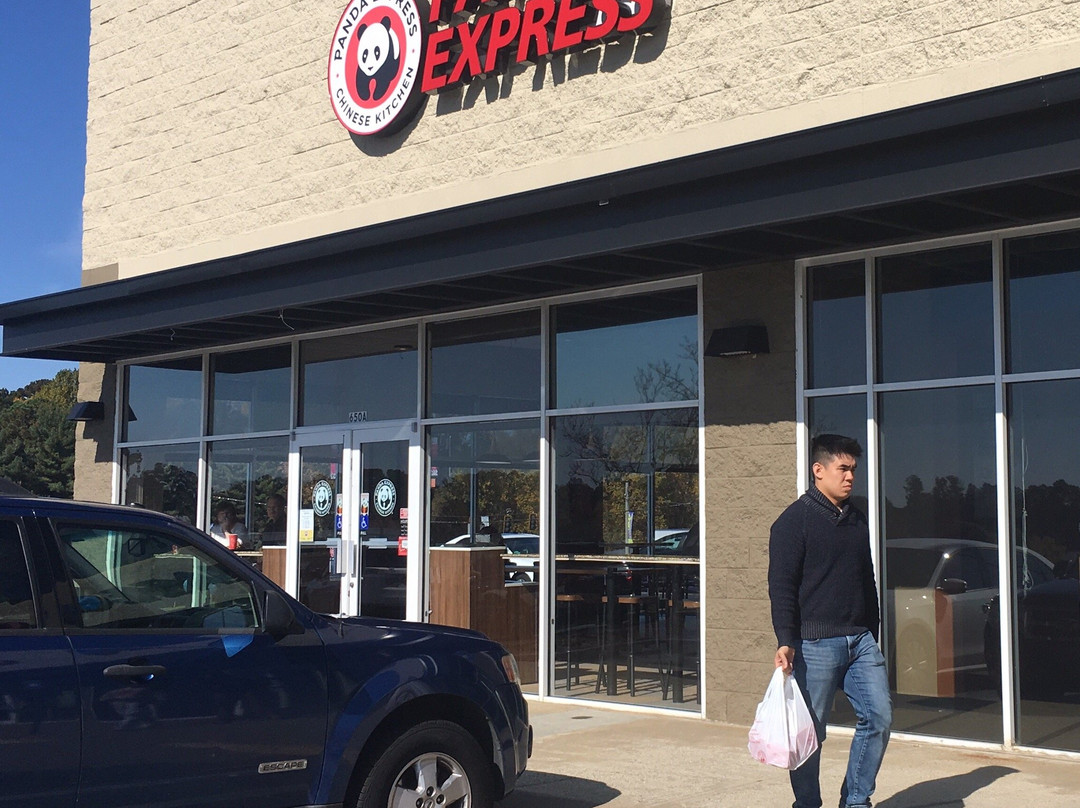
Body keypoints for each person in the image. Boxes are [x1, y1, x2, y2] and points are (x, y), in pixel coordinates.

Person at [768, 434, 892, 808]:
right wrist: (786, 639)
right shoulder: (793, 522)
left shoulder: (856, 518)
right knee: (810, 733)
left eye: (853, 469)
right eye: (843, 468)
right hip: (815, 644)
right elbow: (782, 586)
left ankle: (855, 801)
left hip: (860, 641)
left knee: (879, 717)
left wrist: (872, 630)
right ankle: (807, 803)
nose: (850, 476)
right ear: (818, 470)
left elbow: (866, 577)